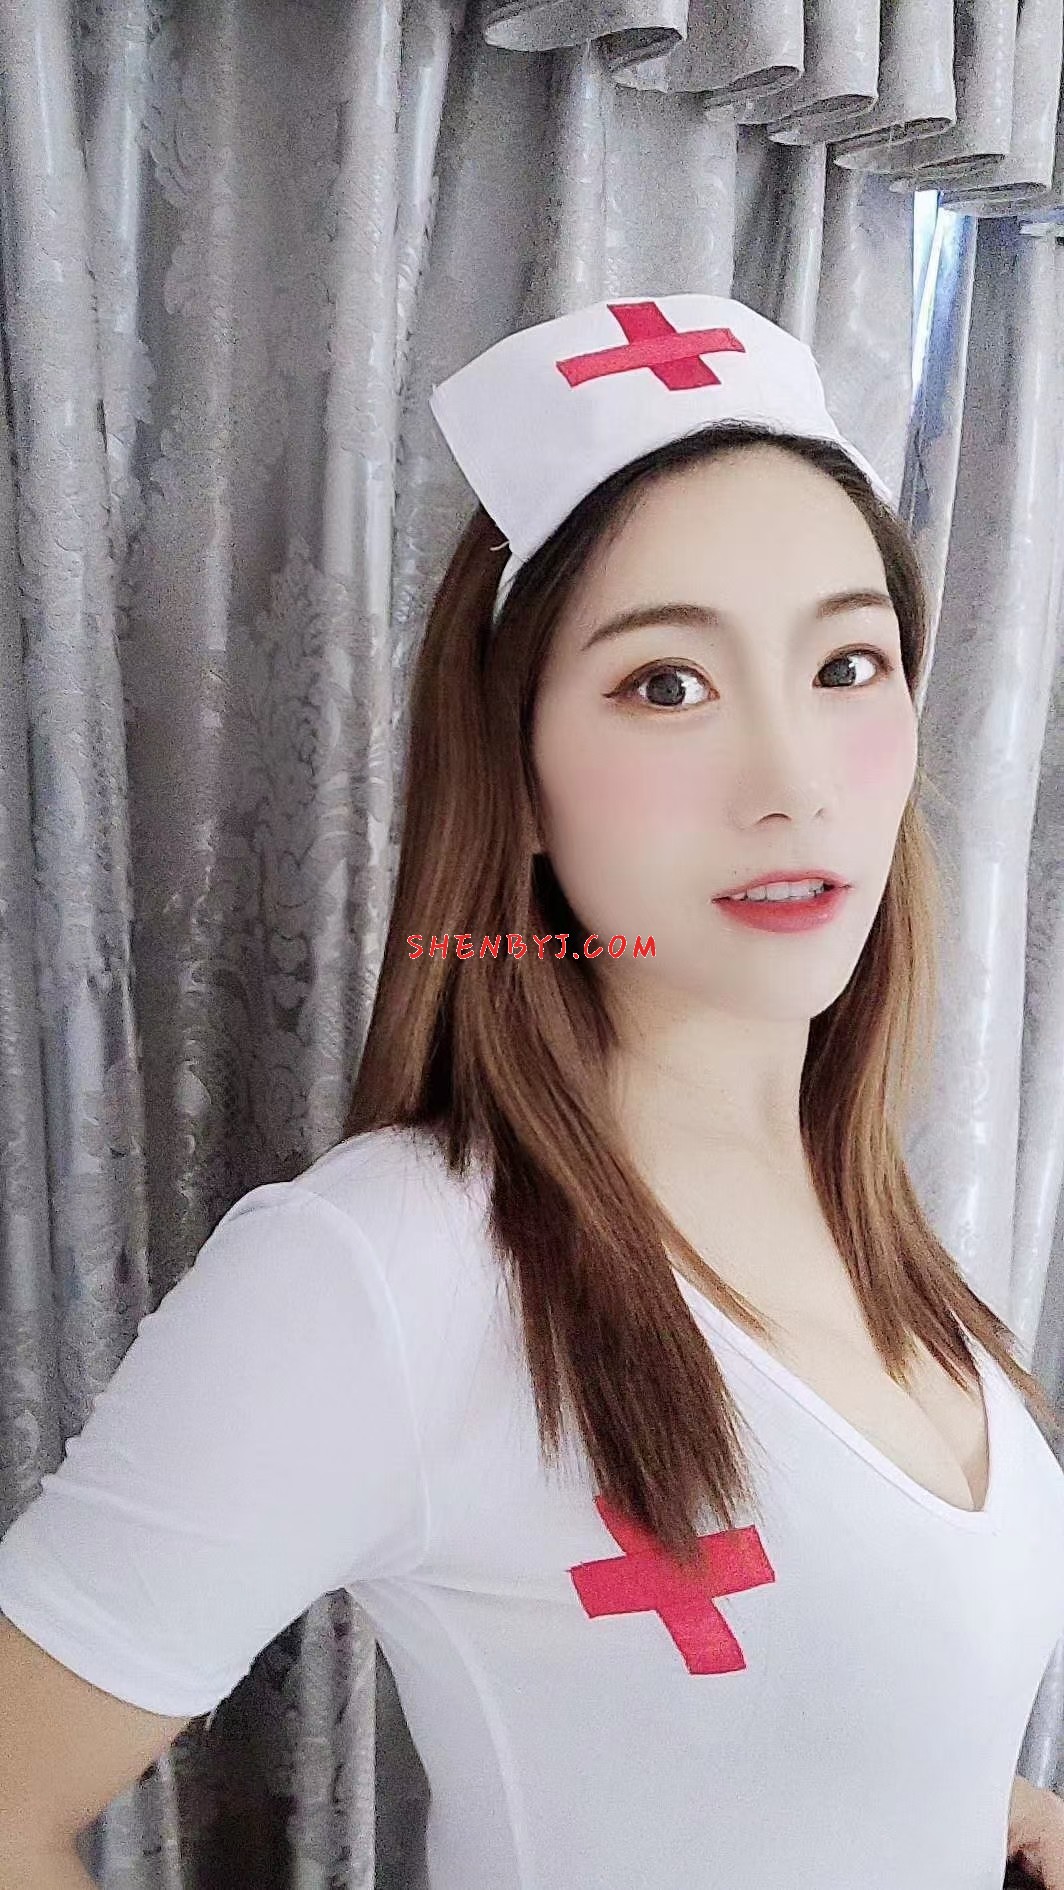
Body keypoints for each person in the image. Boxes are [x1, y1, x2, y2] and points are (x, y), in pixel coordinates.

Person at [1, 293, 1063, 1890]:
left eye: (848, 662)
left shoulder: (864, 1209)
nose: (792, 779)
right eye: (667, 684)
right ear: (523, 780)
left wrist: (969, 1803)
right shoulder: (389, 1267)